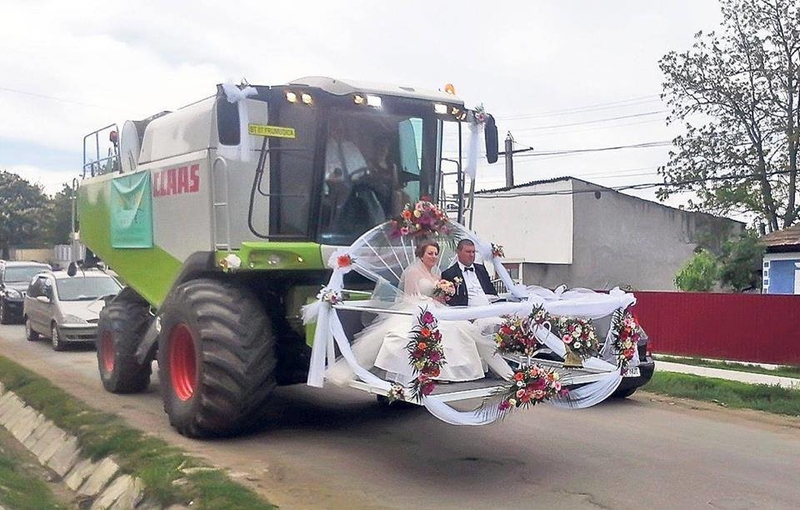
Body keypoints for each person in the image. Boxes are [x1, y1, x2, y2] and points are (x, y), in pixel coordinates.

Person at [327, 240, 491, 385]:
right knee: (431, 331)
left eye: (435, 254)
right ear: (421, 255)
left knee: (457, 327)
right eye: (430, 253)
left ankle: (447, 372)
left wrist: (443, 294)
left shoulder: (437, 274)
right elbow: (410, 296)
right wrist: (431, 300)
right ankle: (430, 372)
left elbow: (439, 298)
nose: (433, 257)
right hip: (416, 308)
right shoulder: (412, 272)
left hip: (436, 308)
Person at [441, 239, 498, 307]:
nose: (472, 255)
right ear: (458, 252)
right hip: (467, 312)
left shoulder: (481, 270)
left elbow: (492, 291)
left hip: (488, 307)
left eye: (473, 252)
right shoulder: (449, 274)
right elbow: (450, 300)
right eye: (468, 252)